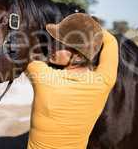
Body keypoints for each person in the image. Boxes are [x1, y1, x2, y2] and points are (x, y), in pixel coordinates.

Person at [26, 13, 119, 149]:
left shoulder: (42, 77)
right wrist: (89, 29)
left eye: (59, 45)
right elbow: (111, 42)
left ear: (77, 56)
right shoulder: (104, 81)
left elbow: (20, 50)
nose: (51, 47)